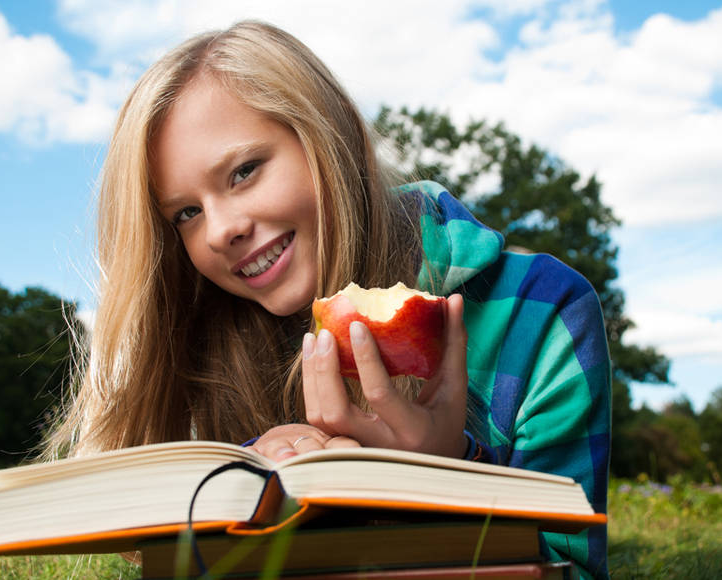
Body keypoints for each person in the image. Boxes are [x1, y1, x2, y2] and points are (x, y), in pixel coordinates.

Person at [45, 20, 611, 579]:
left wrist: (449, 471)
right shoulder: (205, 339)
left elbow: (570, 567)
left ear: (329, 137)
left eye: (244, 171)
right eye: (186, 213)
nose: (219, 231)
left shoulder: (543, 311)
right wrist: (250, 480)